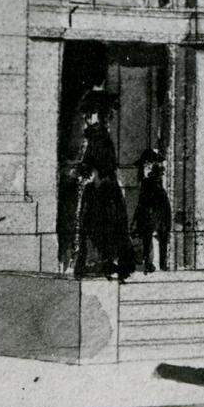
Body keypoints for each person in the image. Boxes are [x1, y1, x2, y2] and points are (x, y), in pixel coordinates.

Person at [73, 95, 131, 281]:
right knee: (97, 227)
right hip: (100, 190)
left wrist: (87, 173)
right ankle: (103, 264)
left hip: (102, 192)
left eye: (93, 114)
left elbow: (104, 167)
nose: (88, 118)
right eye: (87, 115)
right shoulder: (94, 137)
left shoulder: (100, 138)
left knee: (100, 227)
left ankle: (102, 264)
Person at [131, 142, 173, 276]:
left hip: (155, 215)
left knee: (152, 236)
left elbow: (151, 201)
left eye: (146, 165)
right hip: (151, 215)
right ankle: (153, 263)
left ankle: (157, 263)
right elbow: (141, 202)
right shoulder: (148, 181)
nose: (144, 168)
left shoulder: (152, 181)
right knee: (148, 237)